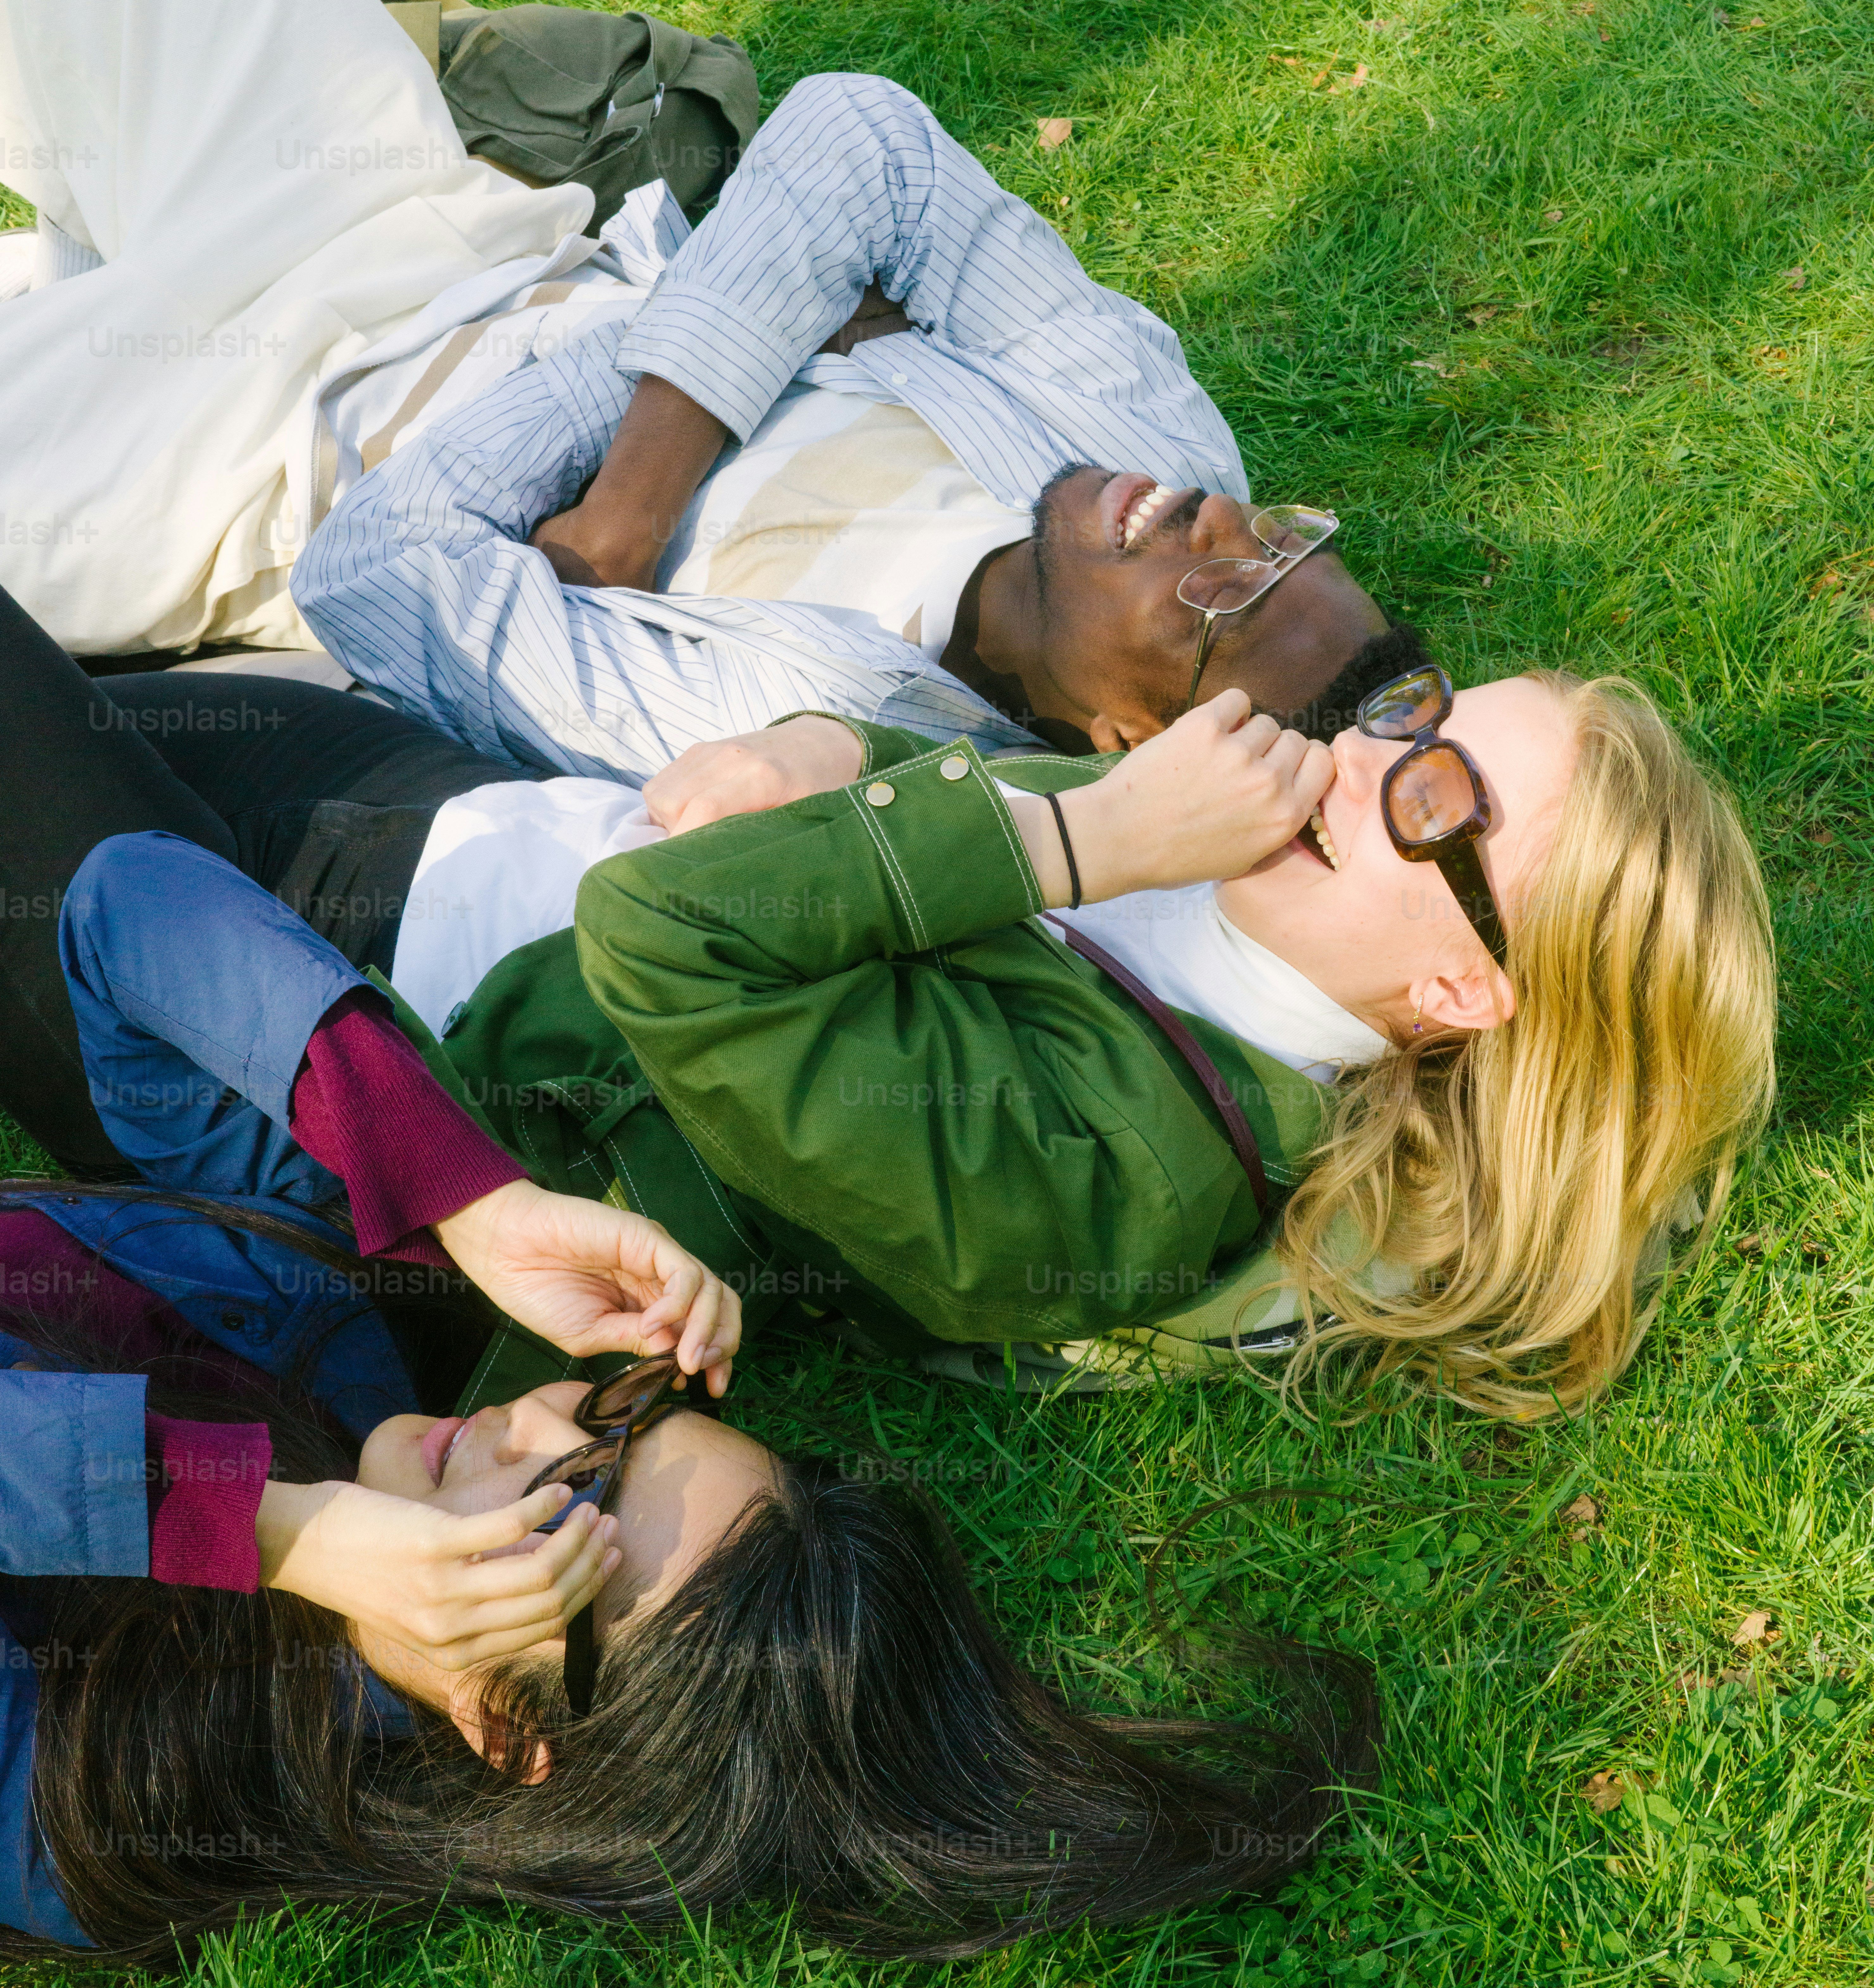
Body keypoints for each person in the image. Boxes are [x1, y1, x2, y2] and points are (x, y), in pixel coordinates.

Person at [0, 576, 1776, 1424]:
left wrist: (1085, 832)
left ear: (1465, 985)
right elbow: (925, 783)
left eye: (1442, 801)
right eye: (1420, 716)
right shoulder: (1230, 908)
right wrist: (820, 743)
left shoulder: (1121, 1176)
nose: (1372, 751)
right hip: (459, 811)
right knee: (89, 665)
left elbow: (656, 941)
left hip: (328, 1058)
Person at [0, 0, 1418, 760]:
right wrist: (624, 505)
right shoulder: (1151, 451)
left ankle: (83, 282)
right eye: (1284, 538)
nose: (1223, 526)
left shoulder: (820, 735)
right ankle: (87, 263)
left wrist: (760, 317)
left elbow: (378, 576)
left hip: (263, 463)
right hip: (451, 229)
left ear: (1127, 738)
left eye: (1224, 601)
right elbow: (862, 136)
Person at [0, 1183, 1374, 1961]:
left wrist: (259, 1527)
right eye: (619, 1413)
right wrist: (472, 1196)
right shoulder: (339, 1373)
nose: (536, 1421)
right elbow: (128, 896)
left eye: (571, 1506)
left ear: (505, 1729)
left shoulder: (79, 1809)